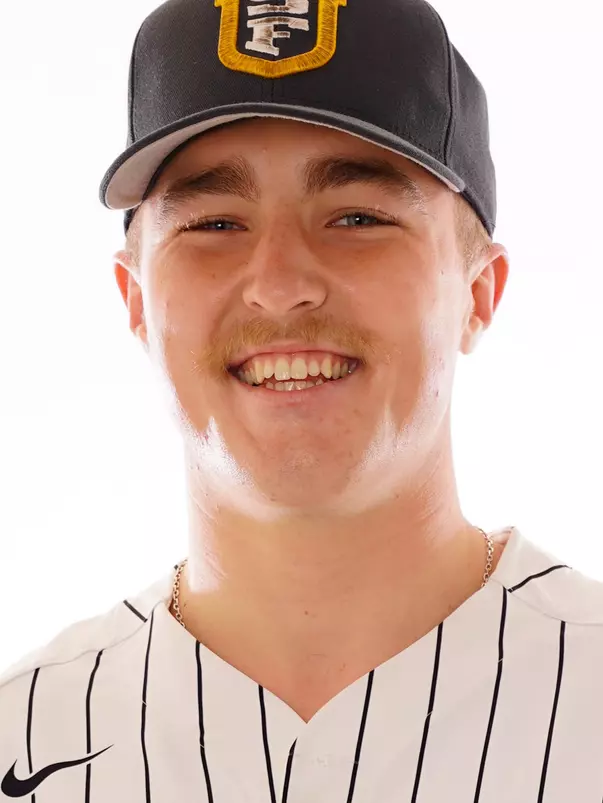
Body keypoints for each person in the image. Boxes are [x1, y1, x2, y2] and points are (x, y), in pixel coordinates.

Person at [2, 0, 603, 800]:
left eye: (357, 216)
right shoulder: (28, 732)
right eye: (214, 222)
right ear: (135, 299)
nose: (280, 285)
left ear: (477, 292)